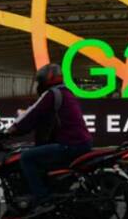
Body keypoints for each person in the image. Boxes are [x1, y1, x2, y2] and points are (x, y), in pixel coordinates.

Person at [6, 63, 93, 216]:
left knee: (26, 157)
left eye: (40, 80)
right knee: (36, 151)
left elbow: (33, 113)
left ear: (48, 78)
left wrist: (13, 128)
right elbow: (39, 115)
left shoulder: (53, 94)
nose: (39, 84)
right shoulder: (65, 92)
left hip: (70, 144)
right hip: (79, 142)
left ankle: (43, 199)